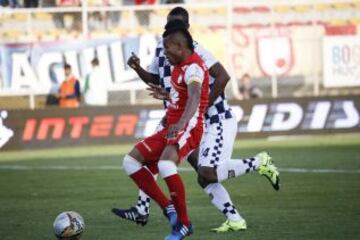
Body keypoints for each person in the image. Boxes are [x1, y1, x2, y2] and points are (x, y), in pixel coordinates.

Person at [112, 7, 280, 234]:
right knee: (164, 162)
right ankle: (147, 209)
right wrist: (139, 69)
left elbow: (223, 76)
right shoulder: (164, 50)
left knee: (205, 172)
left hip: (212, 118)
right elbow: (157, 78)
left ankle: (258, 163)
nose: (174, 28)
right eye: (171, 24)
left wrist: (201, 107)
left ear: (186, 31)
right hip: (181, 117)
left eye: (179, 24)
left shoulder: (197, 53)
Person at [114, 22, 209, 239]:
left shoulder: (194, 67)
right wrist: (167, 95)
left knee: (166, 164)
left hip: (189, 127)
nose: (164, 52)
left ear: (179, 46)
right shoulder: (179, 66)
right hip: (172, 126)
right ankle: (168, 208)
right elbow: (183, 95)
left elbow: (195, 98)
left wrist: (181, 124)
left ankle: (184, 224)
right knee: (130, 161)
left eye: (167, 48)